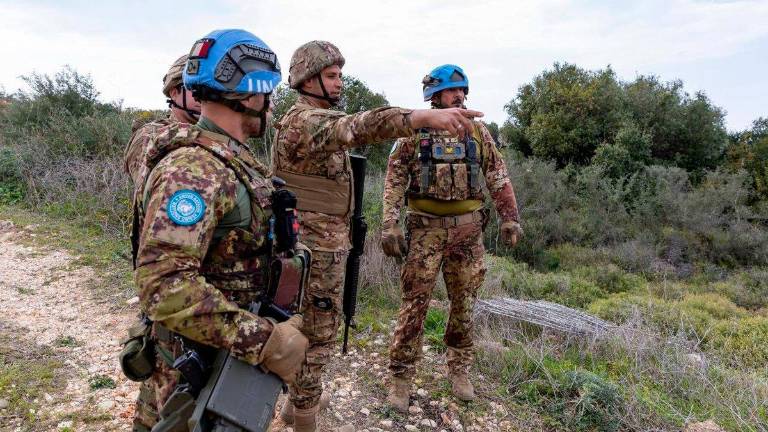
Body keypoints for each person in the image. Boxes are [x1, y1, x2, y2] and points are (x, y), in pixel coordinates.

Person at [271, 41, 484, 432]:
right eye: (332, 76)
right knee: (317, 335)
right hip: (316, 249)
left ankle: (295, 405)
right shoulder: (308, 121)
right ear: (308, 79)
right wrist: (421, 117)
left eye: (339, 75)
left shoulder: (305, 119)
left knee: (312, 328)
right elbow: (361, 126)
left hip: (320, 244)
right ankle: (305, 418)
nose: (339, 83)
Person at [129, 29, 308, 431]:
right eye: (268, 93)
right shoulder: (195, 170)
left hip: (217, 358)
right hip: (196, 368)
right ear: (248, 95)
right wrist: (262, 341)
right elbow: (163, 284)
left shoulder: (227, 159)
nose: (271, 104)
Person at [381, 64, 522, 412]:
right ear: (435, 96)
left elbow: (498, 176)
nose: (459, 95)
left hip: (467, 232)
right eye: (452, 91)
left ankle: (459, 370)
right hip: (425, 232)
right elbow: (394, 178)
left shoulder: (478, 134)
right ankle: (400, 378)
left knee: (464, 306)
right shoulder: (414, 134)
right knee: (414, 306)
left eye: (462, 90)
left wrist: (510, 219)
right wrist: (390, 224)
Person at [123, 54, 201, 184]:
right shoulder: (150, 135)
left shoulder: (217, 133)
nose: (203, 96)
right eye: (195, 87)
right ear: (174, 93)